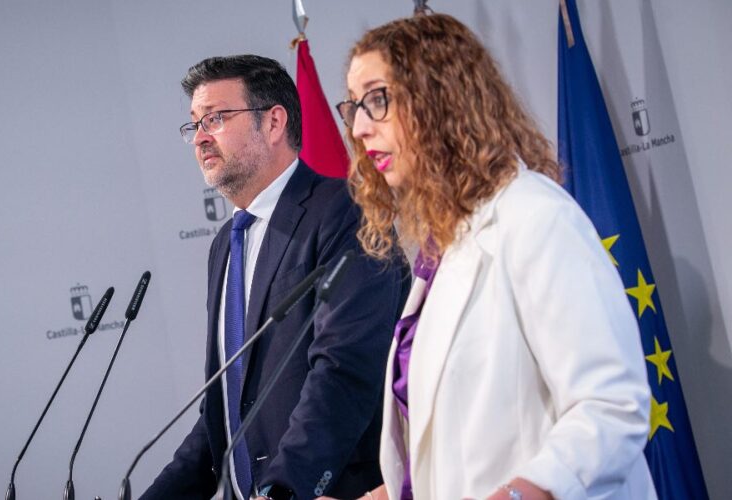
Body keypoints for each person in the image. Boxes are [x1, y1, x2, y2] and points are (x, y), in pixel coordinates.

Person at [327, 13, 656, 500]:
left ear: (439, 97)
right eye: (353, 106)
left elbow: (612, 407)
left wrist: (520, 494)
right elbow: (451, 460)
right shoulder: (443, 251)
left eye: (377, 100)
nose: (357, 128)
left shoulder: (534, 218)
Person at [141, 55, 408, 500]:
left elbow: (345, 368)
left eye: (217, 118)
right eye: (195, 124)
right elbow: (225, 406)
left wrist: (284, 490)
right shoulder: (226, 243)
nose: (200, 137)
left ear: (274, 122)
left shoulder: (344, 212)